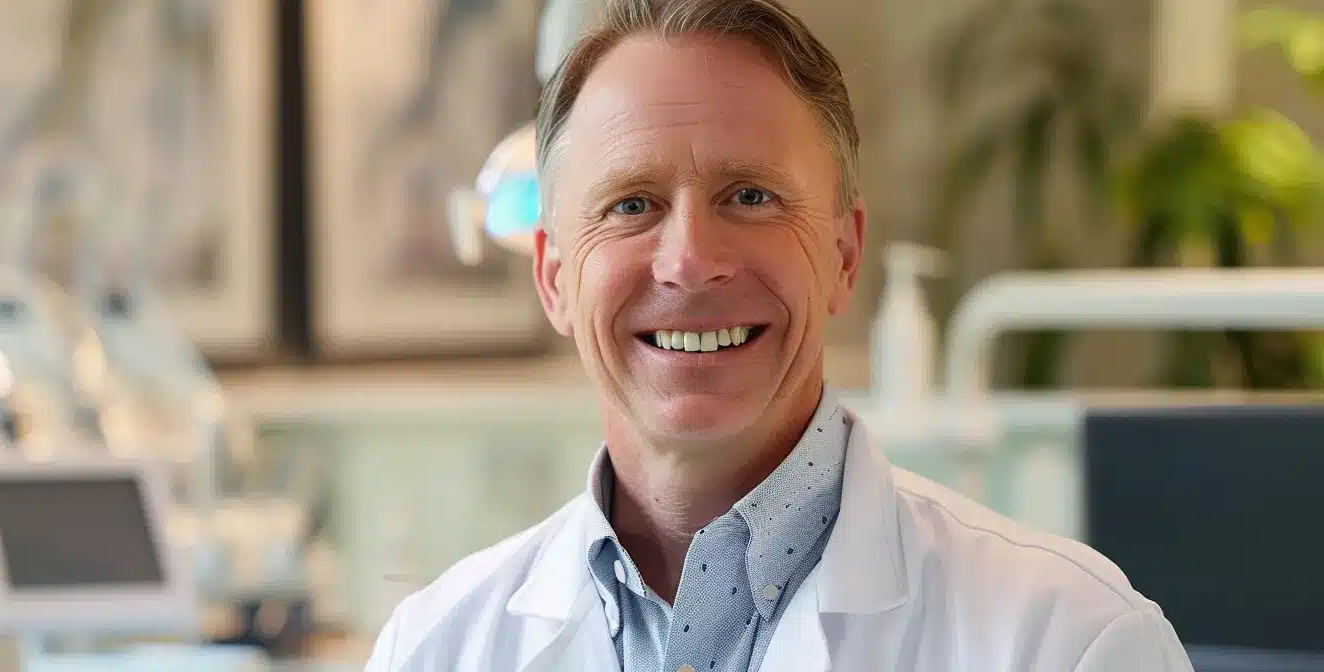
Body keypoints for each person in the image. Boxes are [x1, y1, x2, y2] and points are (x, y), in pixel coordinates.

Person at [363, 0, 1195, 670]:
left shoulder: (1068, 641)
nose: (689, 262)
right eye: (631, 206)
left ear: (843, 255)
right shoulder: (434, 648)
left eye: (750, 197)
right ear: (553, 275)